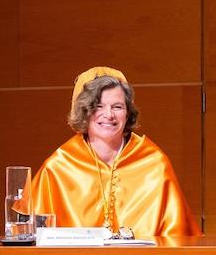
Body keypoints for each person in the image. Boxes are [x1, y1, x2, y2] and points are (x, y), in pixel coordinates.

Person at [30, 66, 200, 238]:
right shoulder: (58, 167)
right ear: (84, 112)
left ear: (128, 113)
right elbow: (34, 239)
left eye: (117, 107)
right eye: (98, 106)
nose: (109, 115)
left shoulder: (154, 163)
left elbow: (179, 239)